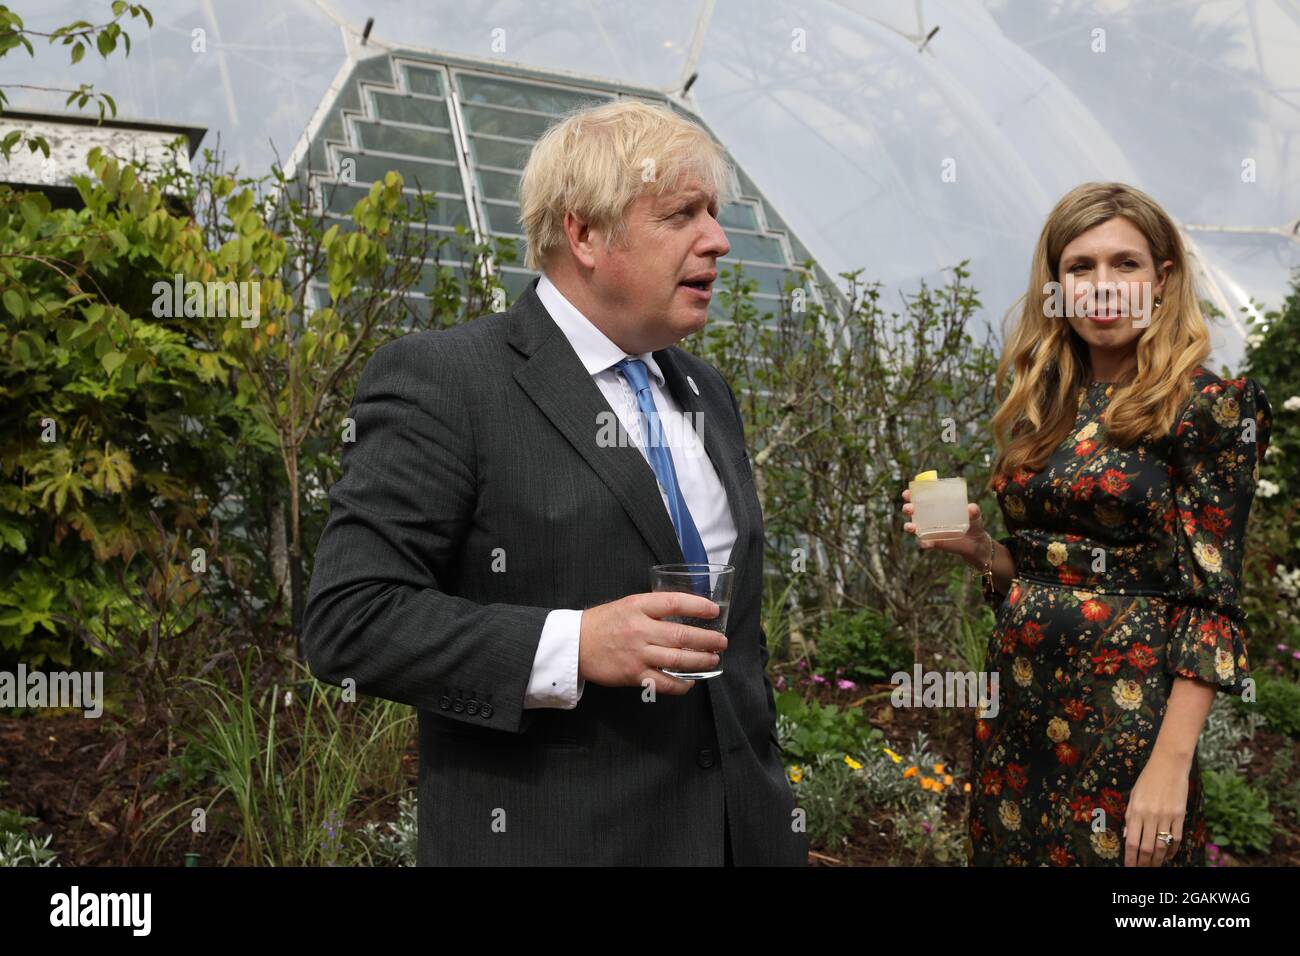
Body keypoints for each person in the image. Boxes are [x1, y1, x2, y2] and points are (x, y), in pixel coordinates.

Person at [303, 99, 806, 866]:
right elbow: (351, 620)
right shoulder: (448, 383)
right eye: (682, 214)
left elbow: (738, 646)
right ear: (585, 233)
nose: (720, 240)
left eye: (714, 212)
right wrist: (573, 645)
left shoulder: (707, 394)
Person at [901, 182, 1272, 866]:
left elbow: (1211, 602)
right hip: (1017, 717)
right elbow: (1042, 568)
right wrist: (982, 549)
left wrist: (1169, 766)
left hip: (1128, 724)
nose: (1104, 286)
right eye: (1081, 267)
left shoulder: (1210, 409)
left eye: (1125, 264)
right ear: (1057, 286)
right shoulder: (1043, 406)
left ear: (1162, 279)